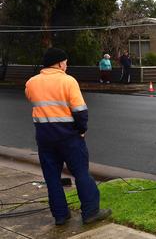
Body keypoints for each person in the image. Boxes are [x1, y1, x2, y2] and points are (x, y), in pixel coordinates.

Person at [24, 48, 111, 225]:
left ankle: (61, 216)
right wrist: (81, 129)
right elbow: (80, 111)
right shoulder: (68, 81)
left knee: (52, 177)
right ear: (58, 63)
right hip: (69, 136)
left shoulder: (31, 83)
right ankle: (90, 212)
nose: (66, 65)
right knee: (81, 174)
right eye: (65, 62)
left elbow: (33, 100)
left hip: (44, 137)